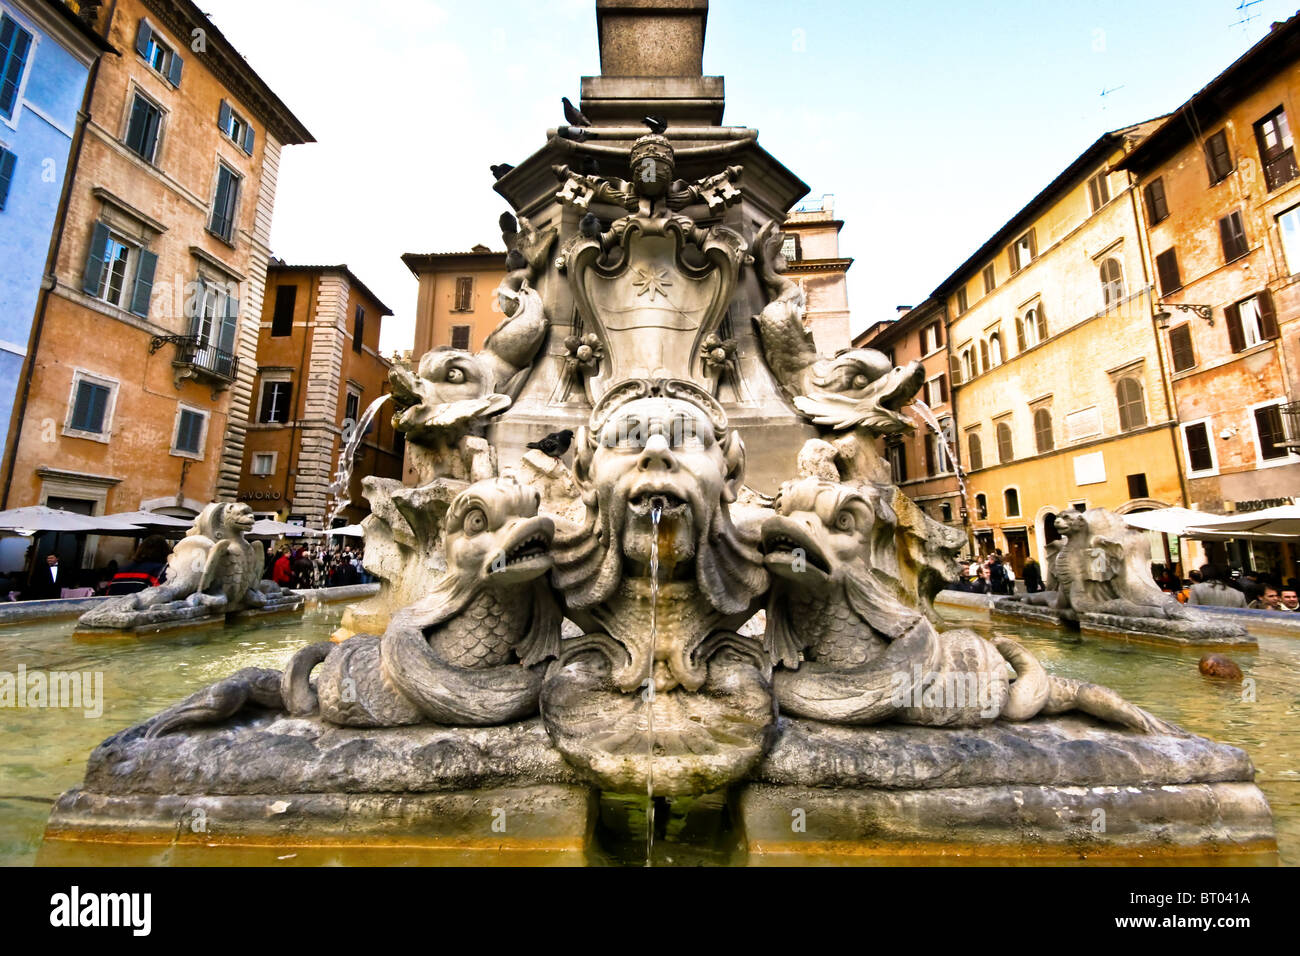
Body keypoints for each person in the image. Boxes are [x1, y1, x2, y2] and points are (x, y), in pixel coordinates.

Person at [106, 536, 171, 595]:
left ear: (140, 549)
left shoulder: (120, 571)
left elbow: (108, 594)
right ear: (165, 551)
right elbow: (162, 595)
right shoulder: (161, 570)